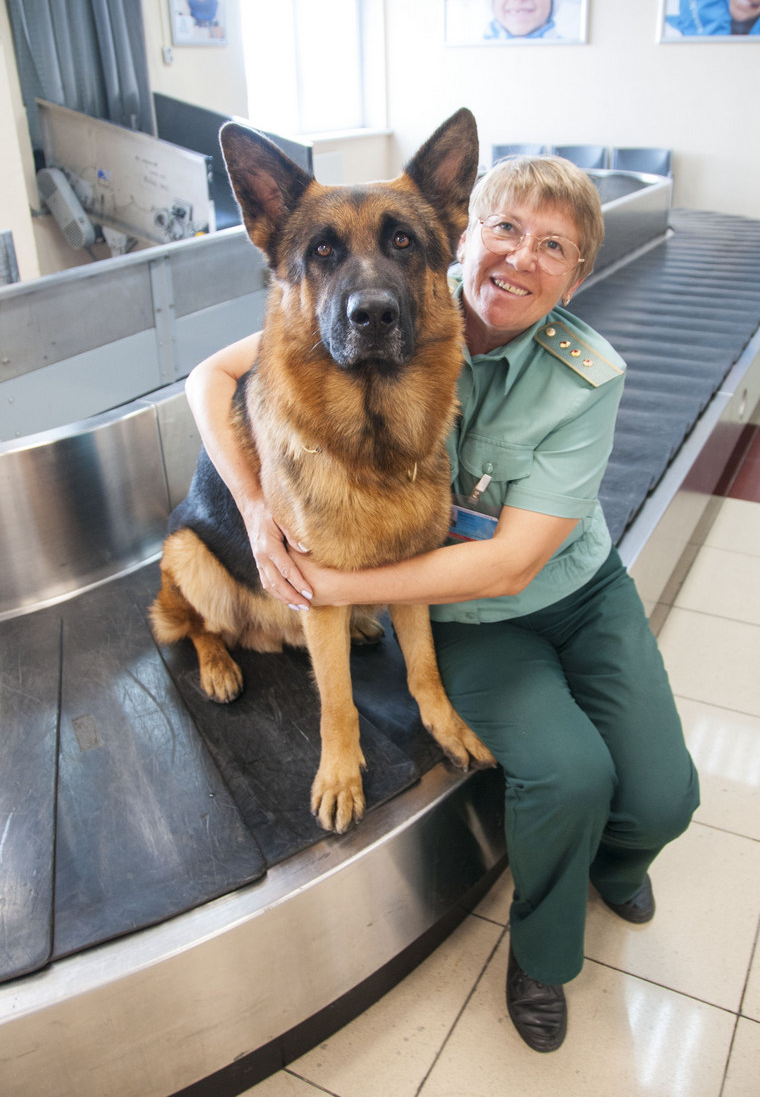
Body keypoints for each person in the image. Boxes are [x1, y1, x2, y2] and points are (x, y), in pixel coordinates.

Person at [184, 154, 700, 1053]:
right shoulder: (398, 303)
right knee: (570, 774)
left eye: (554, 247)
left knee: (662, 800)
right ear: (469, 237)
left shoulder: (585, 371)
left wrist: (337, 590)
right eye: (507, 230)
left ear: (576, 276)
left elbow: (508, 565)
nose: (522, 259)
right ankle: (541, 958)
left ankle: (618, 859)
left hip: (571, 590)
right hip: (472, 618)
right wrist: (260, 511)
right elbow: (212, 378)